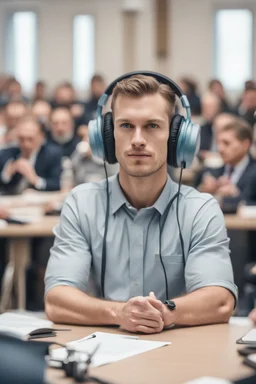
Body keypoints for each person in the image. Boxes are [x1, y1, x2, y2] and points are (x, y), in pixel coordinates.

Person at [45, 72, 236, 334]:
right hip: (102, 356)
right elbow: (56, 301)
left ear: (177, 138)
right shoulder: (82, 203)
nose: (137, 139)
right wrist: (118, 313)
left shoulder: (200, 210)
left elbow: (220, 301)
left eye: (152, 126)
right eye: (125, 126)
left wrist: (161, 313)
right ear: (107, 137)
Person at [195, 118, 256, 212]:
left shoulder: (253, 172)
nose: (220, 149)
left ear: (245, 144)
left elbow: (251, 203)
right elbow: (192, 194)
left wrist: (235, 195)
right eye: (218, 143)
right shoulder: (212, 170)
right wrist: (204, 189)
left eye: (226, 143)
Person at [0, 115, 62, 194]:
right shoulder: (7, 153)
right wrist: (8, 172)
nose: (26, 144)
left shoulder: (52, 154)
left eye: (30, 139)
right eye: (21, 139)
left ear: (41, 137)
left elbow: (57, 184)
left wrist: (35, 179)